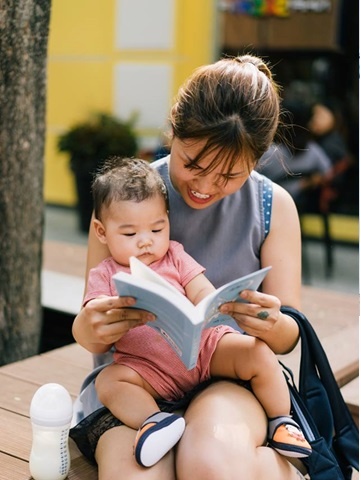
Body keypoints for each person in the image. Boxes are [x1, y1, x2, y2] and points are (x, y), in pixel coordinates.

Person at [70, 54, 309, 479]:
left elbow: (290, 334)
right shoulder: (124, 201)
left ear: (256, 161)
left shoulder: (274, 206)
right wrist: (92, 327)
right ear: (173, 132)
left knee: (210, 463)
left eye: (228, 176)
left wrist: (268, 321)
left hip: (225, 371)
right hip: (135, 379)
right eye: (193, 163)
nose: (203, 186)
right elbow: (93, 331)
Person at [87, 157, 311, 468]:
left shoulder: (175, 255)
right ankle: (155, 421)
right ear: (101, 232)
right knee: (110, 381)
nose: (146, 241)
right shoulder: (105, 273)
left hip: (204, 351)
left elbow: (203, 290)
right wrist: (98, 320)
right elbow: (90, 319)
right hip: (148, 369)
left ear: (167, 219)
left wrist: (211, 308)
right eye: (129, 235)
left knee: (257, 352)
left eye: (157, 228)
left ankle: (282, 421)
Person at [256, 99, 332, 213]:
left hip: (267, 207)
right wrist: (307, 183)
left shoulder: (268, 152)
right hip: (297, 208)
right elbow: (328, 172)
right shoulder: (313, 151)